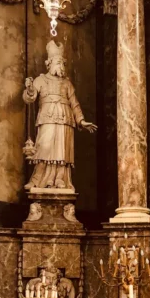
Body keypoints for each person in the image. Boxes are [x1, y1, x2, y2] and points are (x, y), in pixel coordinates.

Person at [22, 40, 97, 191]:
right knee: (45, 147)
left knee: (62, 150)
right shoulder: (40, 80)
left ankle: (60, 179)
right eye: (57, 62)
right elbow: (30, 98)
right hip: (47, 117)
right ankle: (37, 180)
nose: (60, 65)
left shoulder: (67, 84)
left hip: (65, 120)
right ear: (49, 63)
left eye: (62, 62)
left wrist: (81, 121)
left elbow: (74, 104)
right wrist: (29, 88)